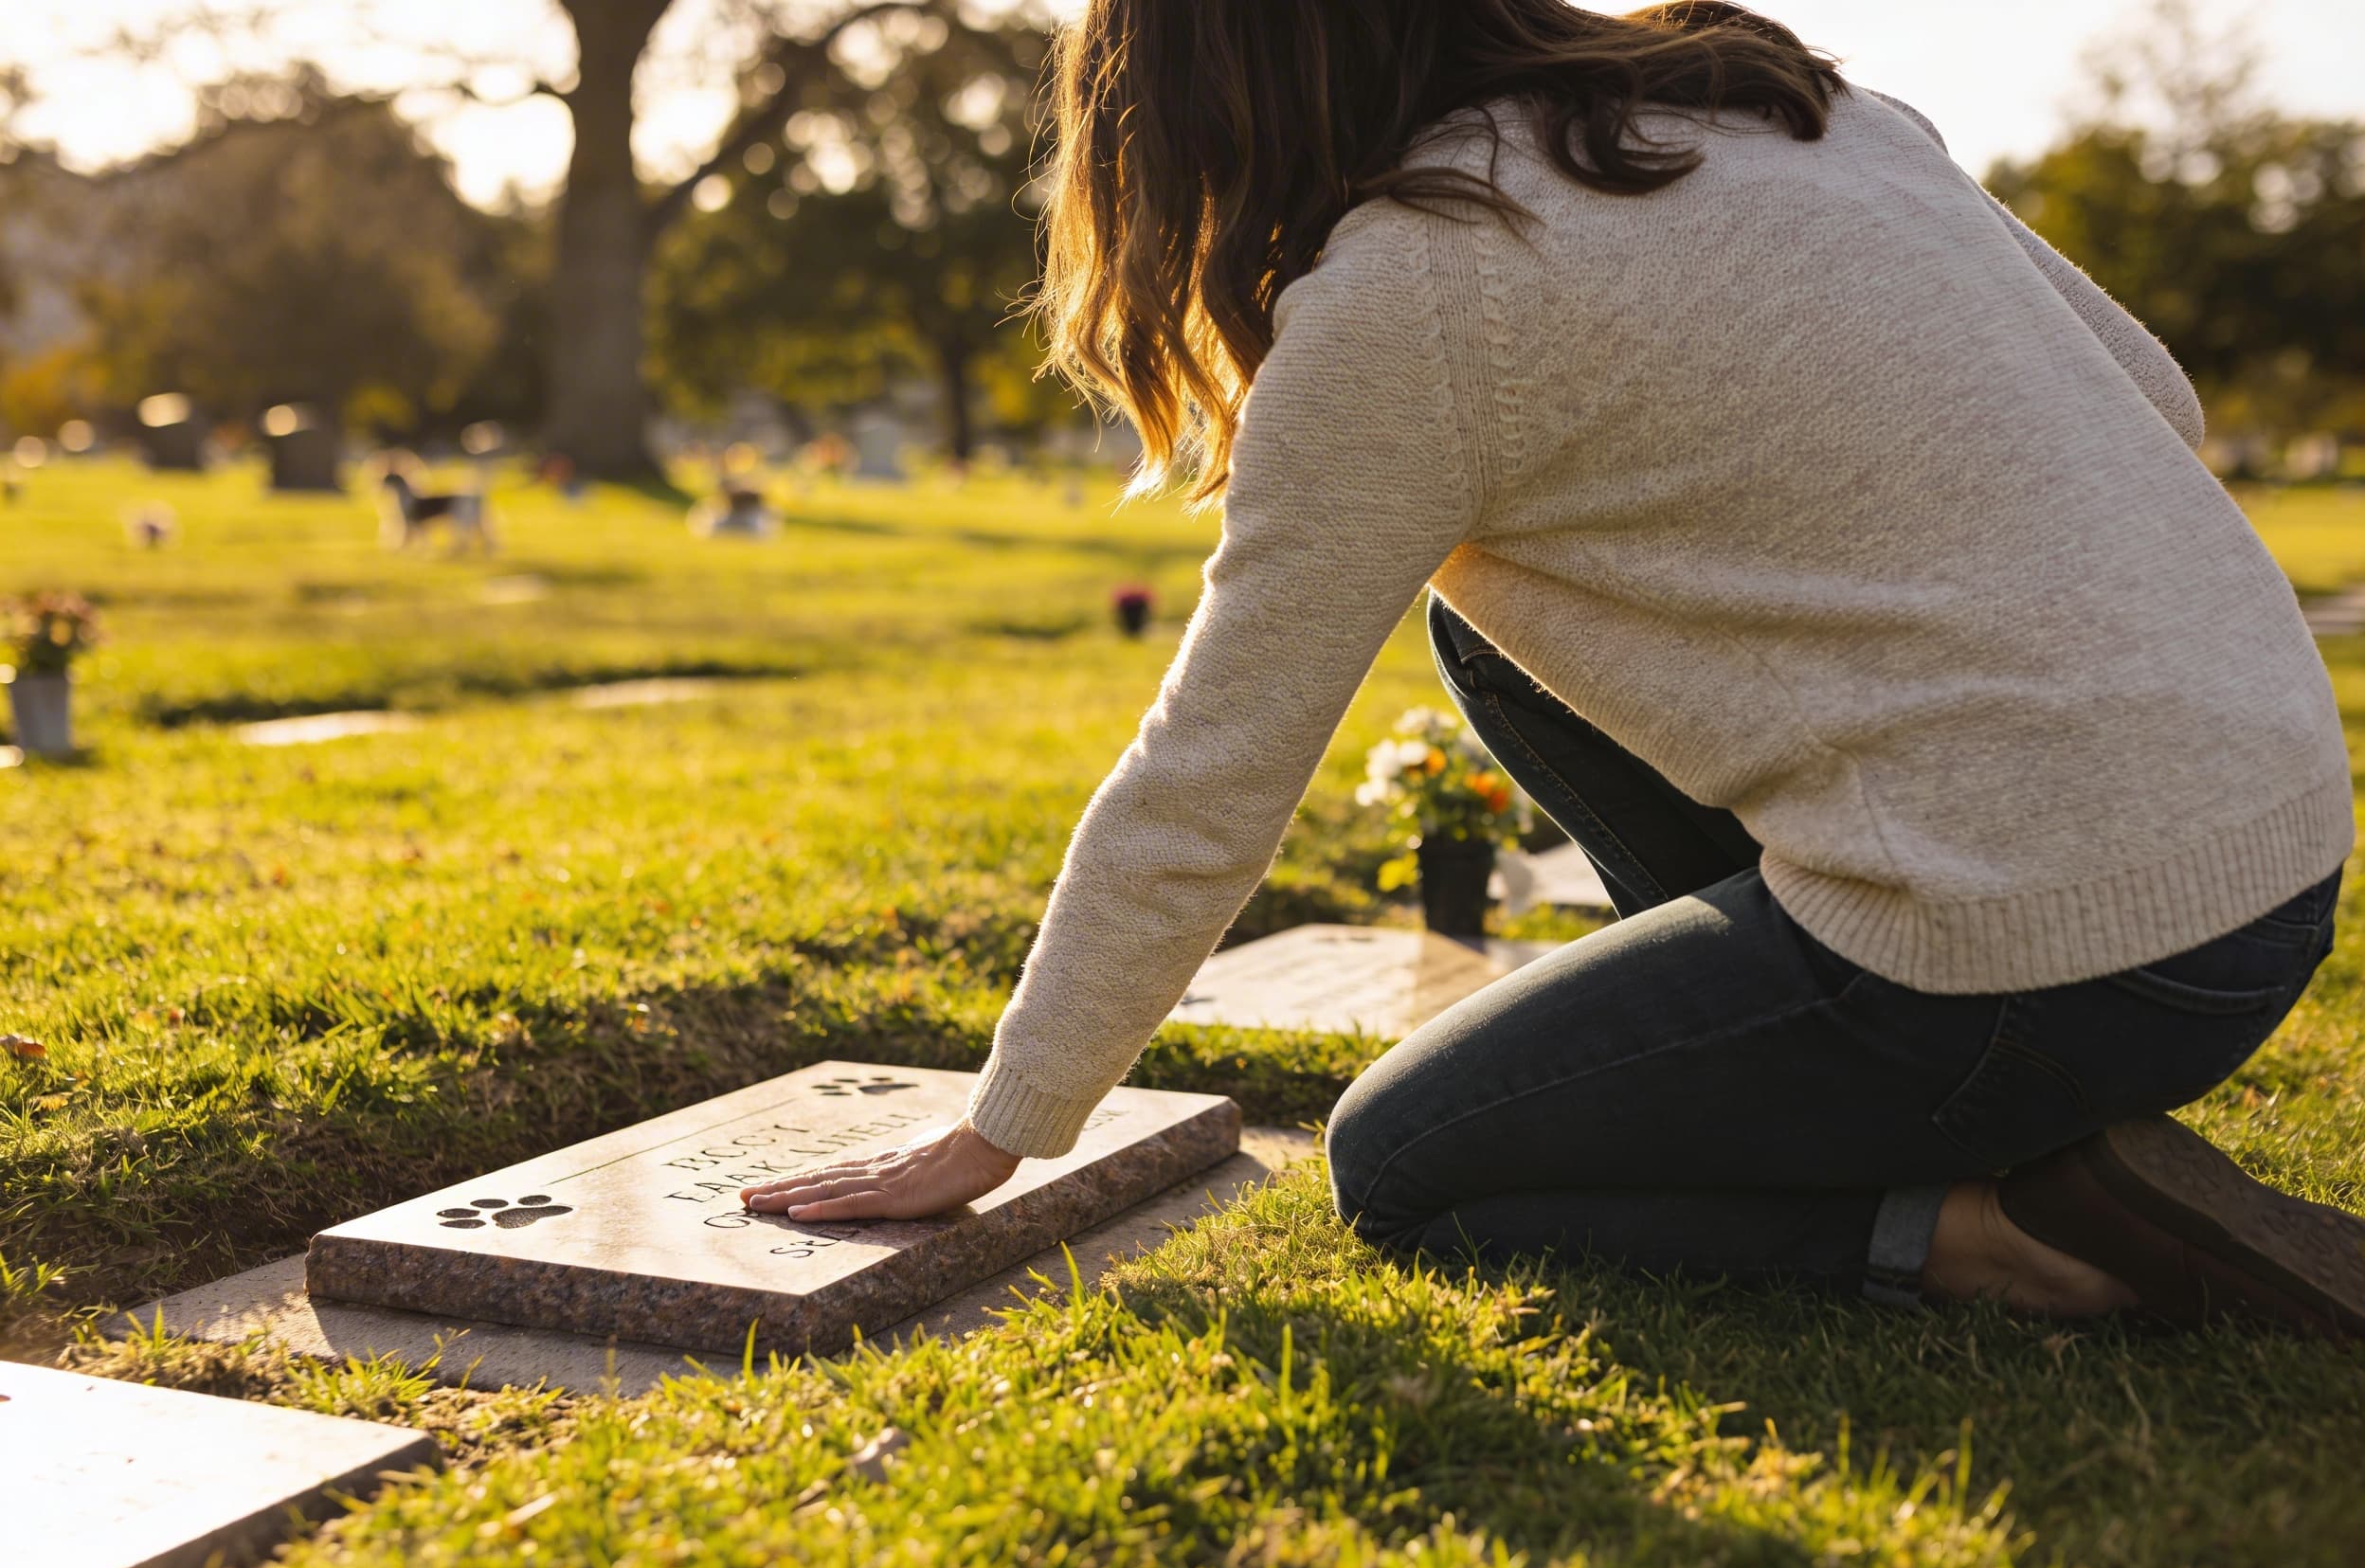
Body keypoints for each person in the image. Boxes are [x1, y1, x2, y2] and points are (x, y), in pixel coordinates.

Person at [741, 1, 2365, 1333]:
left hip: (2045, 956)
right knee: (1487, 616)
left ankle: (1980, 1226)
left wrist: (1003, 1125)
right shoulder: (1787, 96)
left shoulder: (1414, 289)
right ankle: (1840, 1064)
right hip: (2281, 871)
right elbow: (2158, 400)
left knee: (1405, 1164)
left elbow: (1211, 764)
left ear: (1178, 97)